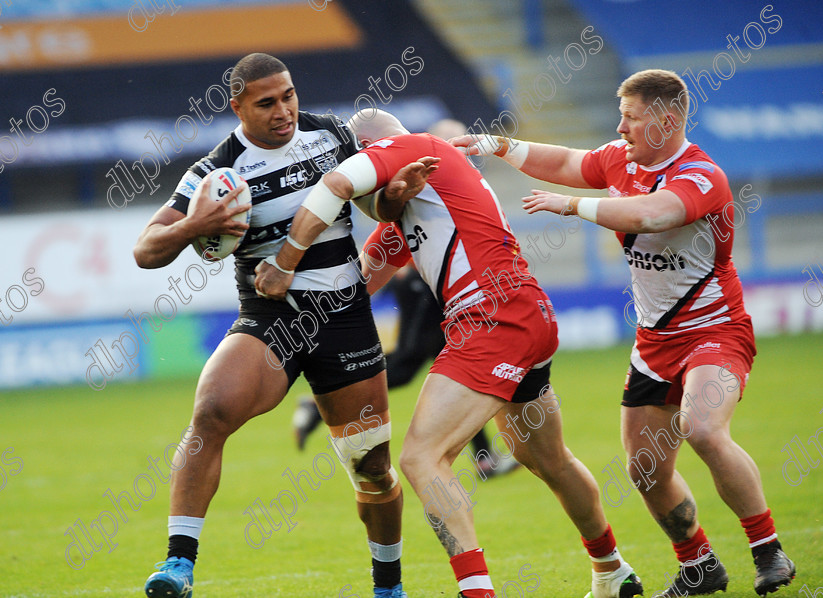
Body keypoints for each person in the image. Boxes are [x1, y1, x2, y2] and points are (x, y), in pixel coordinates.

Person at [260, 108, 645, 598]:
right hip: (523, 314)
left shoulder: (406, 147)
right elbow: (353, 293)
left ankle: (477, 592)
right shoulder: (413, 209)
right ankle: (611, 570)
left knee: (422, 457)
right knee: (544, 456)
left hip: (491, 317)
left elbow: (337, 183)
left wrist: (284, 260)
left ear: (369, 151)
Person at [451, 69, 795, 597]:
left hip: (715, 331)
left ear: (668, 120)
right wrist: (499, 144)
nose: (621, 127)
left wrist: (572, 205)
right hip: (655, 343)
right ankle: (698, 565)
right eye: (621, 116)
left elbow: (656, 214)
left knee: (702, 428)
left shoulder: (702, 176)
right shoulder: (621, 158)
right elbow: (569, 162)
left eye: (631, 118)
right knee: (645, 469)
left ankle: (767, 550)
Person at [133, 53, 434, 598]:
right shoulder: (214, 172)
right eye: (267, 103)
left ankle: (388, 587)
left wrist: (394, 194)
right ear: (238, 106)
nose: (284, 110)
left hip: (344, 318)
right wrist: (194, 226)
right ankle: (178, 564)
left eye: (289, 96)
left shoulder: (331, 136)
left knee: (373, 467)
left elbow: (377, 209)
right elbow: (145, 250)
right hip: (270, 316)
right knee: (212, 411)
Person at [292, 119, 521, 480]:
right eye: (453, 141)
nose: (459, 151)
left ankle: (484, 458)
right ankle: (320, 406)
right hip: (424, 287)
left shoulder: (424, 175)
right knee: (412, 364)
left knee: (453, 368)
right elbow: (377, 230)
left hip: (450, 294)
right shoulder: (415, 157)